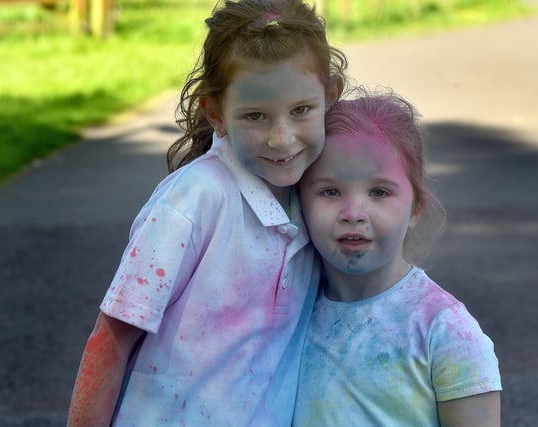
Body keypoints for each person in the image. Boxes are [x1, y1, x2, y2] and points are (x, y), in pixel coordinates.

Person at [67, 0, 346, 425]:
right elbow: (112, 339)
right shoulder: (194, 200)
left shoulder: (316, 197)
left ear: (331, 96)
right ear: (215, 112)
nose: (282, 138)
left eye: (301, 110)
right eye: (255, 116)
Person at [293, 88, 502, 426]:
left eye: (379, 192)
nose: (353, 213)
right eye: (329, 191)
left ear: (415, 206)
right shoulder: (289, 310)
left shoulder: (444, 331)